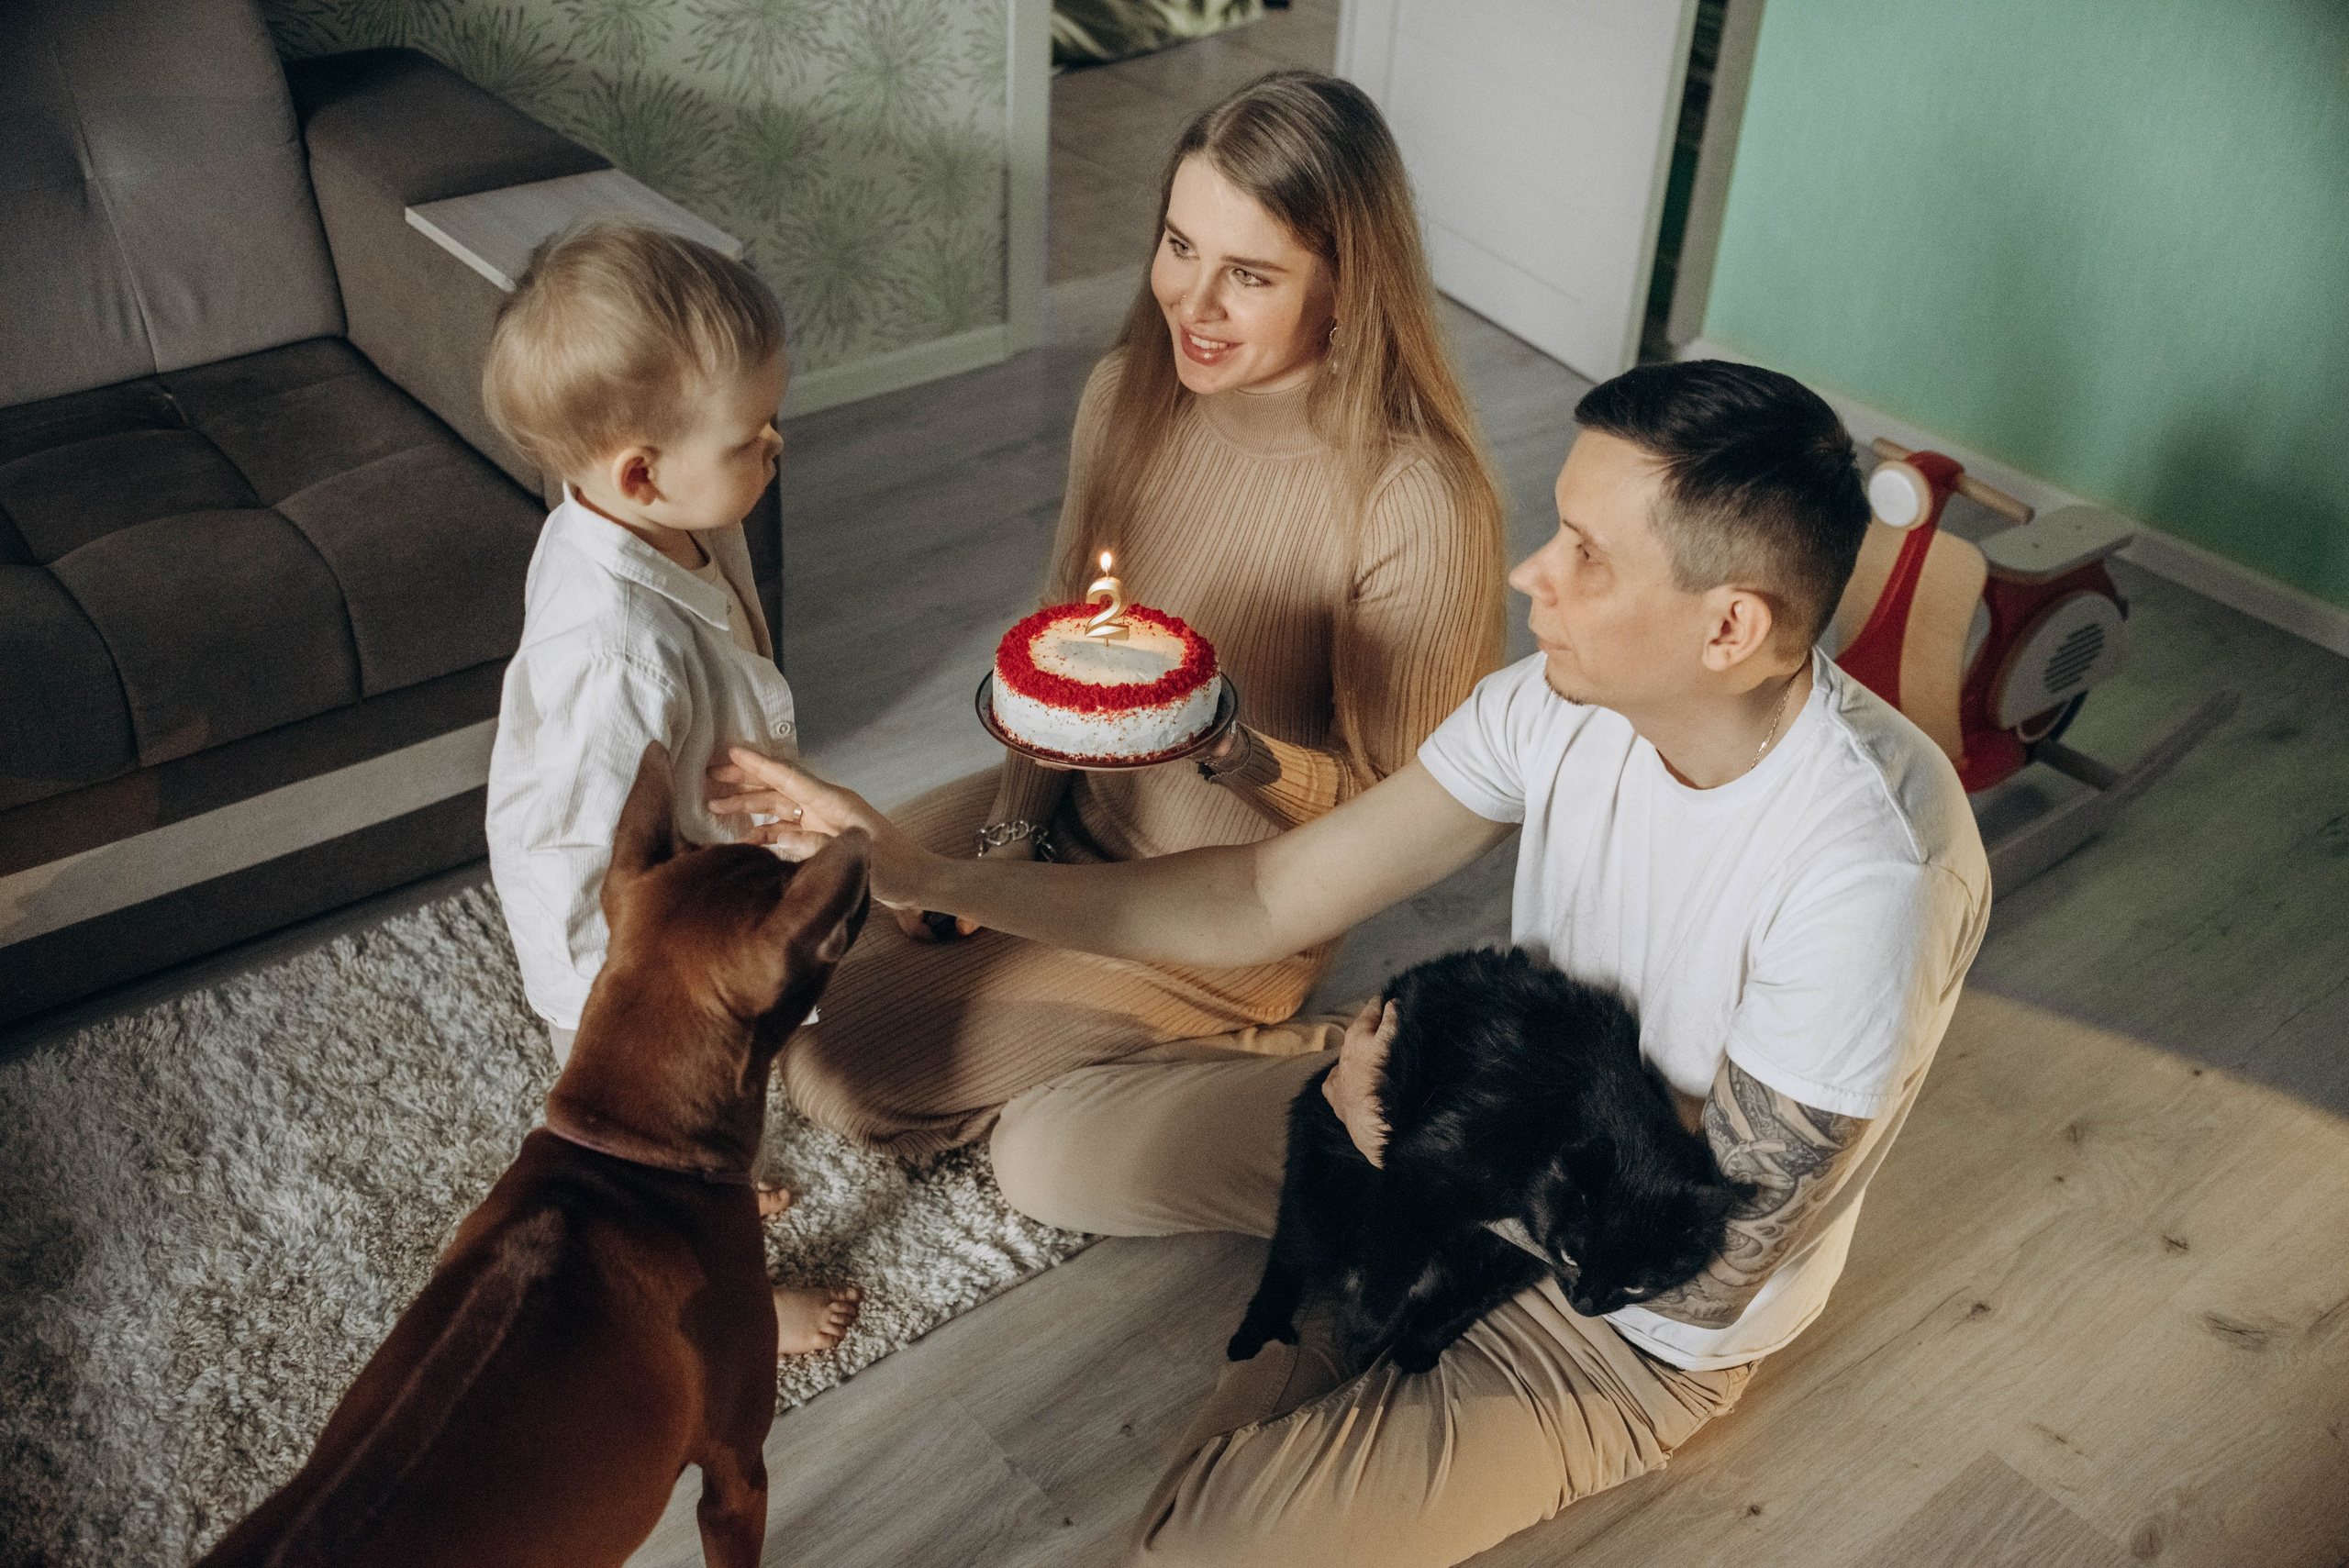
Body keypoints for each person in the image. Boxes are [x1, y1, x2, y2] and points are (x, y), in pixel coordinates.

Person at [715, 360, 1993, 1565]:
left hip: (1624, 1318)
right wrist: (927, 876)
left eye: (1586, 557)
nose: (1527, 574)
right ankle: (1348, 1212)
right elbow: (1268, 892)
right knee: (1046, 1156)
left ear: (1729, 629)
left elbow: (1710, 1264)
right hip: (1459, 1117)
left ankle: (1345, 1280)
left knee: (1201, 1543)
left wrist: (1390, 1159)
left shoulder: (1866, 881)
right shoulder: (1560, 701)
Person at [726, 70, 1508, 1156]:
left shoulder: (1416, 499)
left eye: (1248, 273)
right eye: (1180, 245)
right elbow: (1060, 649)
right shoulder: (1126, 394)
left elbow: (1396, 813)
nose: (1191, 301)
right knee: (765, 957)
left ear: (1346, 286)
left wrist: (1223, 740)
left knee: (843, 1074)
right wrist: (1005, 844)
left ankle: (1264, 1041)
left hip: (1231, 903)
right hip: (1064, 818)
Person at [479, 222, 860, 1356]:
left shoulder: (663, 519)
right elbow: (587, 849)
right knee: (677, 1167)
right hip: (633, 973)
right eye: (752, 435)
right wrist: (624, 1009)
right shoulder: (614, 652)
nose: (777, 444)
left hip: (693, 905)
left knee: (722, 1141)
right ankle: (731, 1313)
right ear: (640, 470)